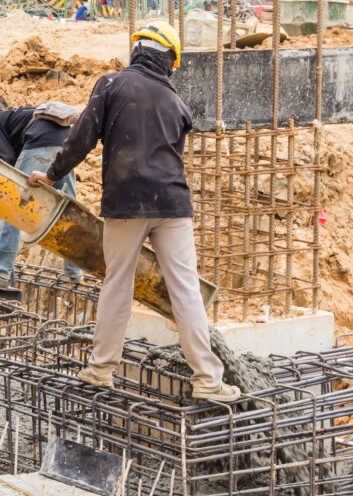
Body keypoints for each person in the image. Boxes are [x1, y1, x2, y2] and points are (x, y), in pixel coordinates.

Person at [28, 20, 241, 403]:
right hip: (173, 205)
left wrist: (53, 175)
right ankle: (208, 381)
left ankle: (100, 369)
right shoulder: (177, 103)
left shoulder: (112, 85)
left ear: (137, 51)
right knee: (185, 290)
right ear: (168, 59)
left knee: (118, 285)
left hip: (126, 203)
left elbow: (82, 137)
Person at [0, 104, 82, 282]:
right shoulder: (15, 119)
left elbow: (7, 158)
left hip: (40, 140)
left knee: (13, 207)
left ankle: (1, 267)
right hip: (66, 143)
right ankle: (74, 270)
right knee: (68, 209)